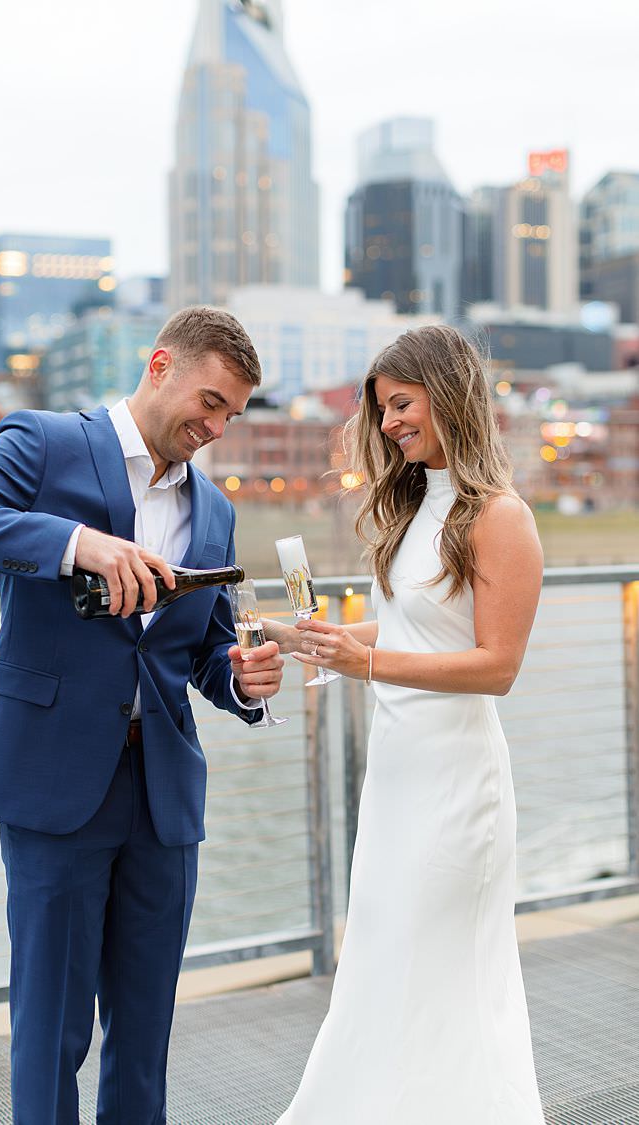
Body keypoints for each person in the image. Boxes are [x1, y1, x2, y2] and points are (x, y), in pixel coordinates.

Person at [0, 306, 285, 1124]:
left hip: (163, 791)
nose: (215, 426)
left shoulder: (213, 508)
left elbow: (201, 654)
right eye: (209, 401)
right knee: (54, 1027)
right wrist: (76, 542)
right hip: (54, 781)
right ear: (160, 364)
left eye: (231, 414)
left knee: (145, 1030)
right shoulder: (44, 442)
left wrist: (244, 681)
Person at [271, 324, 544, 1123]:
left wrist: (364, 666)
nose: (387, 423)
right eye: (381, 408)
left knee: (443, 975)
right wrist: (307, 638)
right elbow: (411, 631)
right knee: (384, 967)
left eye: (400, 403)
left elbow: (496, 665)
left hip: (458, 790)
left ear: (447, 392)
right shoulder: (421, 500)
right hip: (395, 782)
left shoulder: (502, 516)